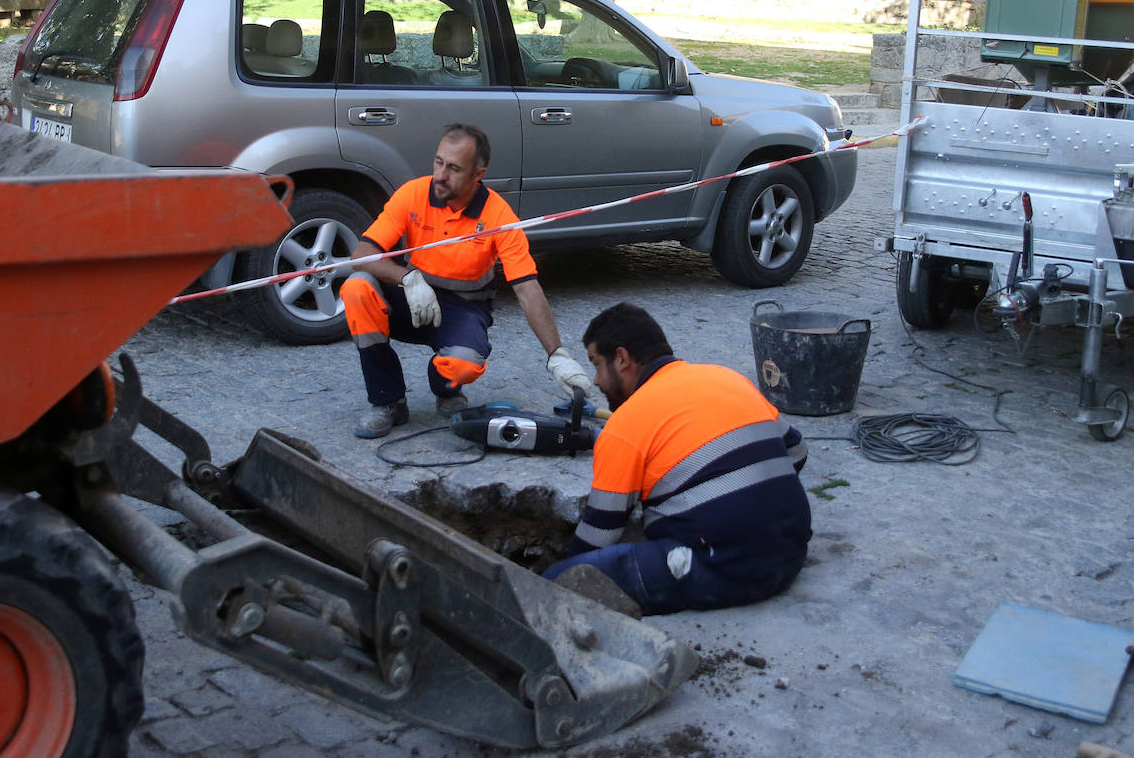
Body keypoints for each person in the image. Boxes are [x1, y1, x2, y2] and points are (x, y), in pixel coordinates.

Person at [543, 302, 811, 615]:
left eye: (597, 364)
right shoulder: (727, 378)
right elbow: (796, 451)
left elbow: (599, 536)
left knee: (558, 582)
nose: (598, 380)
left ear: (621, 359)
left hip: (721, 569)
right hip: (791, 552)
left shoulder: (626, 423)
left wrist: (568, 566)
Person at [341, 122, 593, 438]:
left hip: (463, 308)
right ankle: (387, 402)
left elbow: (527, 288)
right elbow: (362, 254)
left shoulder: (499, 217)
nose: (441, 175)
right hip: (413, 297)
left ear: (478, 174)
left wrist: (557, 355)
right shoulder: (414, 194)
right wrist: (408, 279)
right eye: (439, 162)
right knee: (357, 287)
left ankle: (445, 389)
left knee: (464, 363)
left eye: (455, 168)